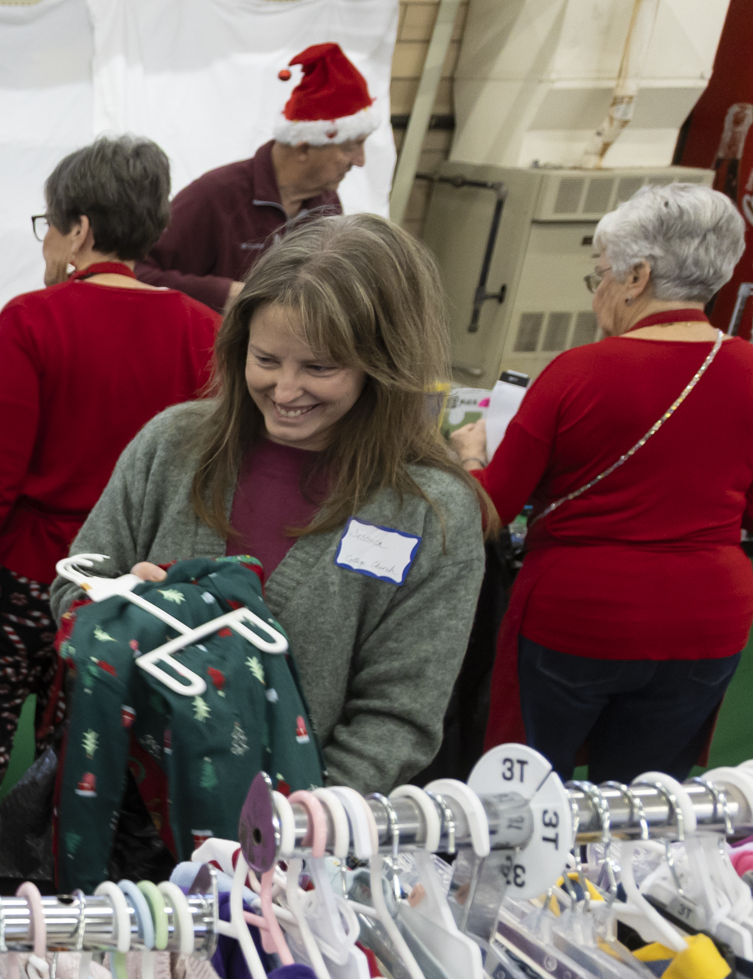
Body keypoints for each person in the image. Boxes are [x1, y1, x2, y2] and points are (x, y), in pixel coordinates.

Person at [60, 213, 486, 792]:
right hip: (129, 805)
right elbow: (74, 583)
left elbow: (399, 715)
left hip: (301, 844)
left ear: (383, 365)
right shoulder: (174, 443)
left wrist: (296, 822)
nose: (285, 391)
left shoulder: (429, 510)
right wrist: (126, 606)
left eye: (319, 367)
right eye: (265, 360)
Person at [0, 135, 219, 850]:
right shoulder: (204, 333)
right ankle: (72, 916)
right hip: (125, 597)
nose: (44, 243)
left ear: (79, 230)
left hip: (22, 580)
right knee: (88, 772)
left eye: (48, 225)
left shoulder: (32, 321)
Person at [450, 183, 753, 778]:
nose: (599, 296)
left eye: (602, 276)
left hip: (576, 616)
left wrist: (468, 458)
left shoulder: (578, 372)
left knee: (525, 794)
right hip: (707, 619)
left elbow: (491, 509)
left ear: (637, 276)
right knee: (647, 809)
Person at [137, 42, 376, 311]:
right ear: (304, 147)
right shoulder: (214, 196)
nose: (360, 160)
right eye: (349, 146)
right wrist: (224, 293)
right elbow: (138, 273)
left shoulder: (327, 206)